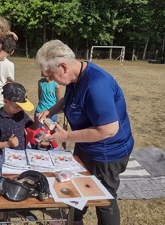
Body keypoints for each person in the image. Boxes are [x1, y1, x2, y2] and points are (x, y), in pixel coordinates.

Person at [35, 40, 134, 225]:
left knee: (104, 199)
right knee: (78, 184)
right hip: (87, 147)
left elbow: (108, 129)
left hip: (107, 153)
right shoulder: (74, 77)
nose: (51, 80)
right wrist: (50, 111)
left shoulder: (97, 84)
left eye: (51, 75)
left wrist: (67, 136)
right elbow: (68, 100)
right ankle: (74, 220)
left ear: (63, 66)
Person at [0, 82, 37, 153]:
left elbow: (32, 127)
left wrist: (38, 120)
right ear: (5, 101)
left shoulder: (21, 114)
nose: (20, 108)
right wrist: (8, 144)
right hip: (5, 156)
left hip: (22, 153)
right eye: (17, 106)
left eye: (22, 106)